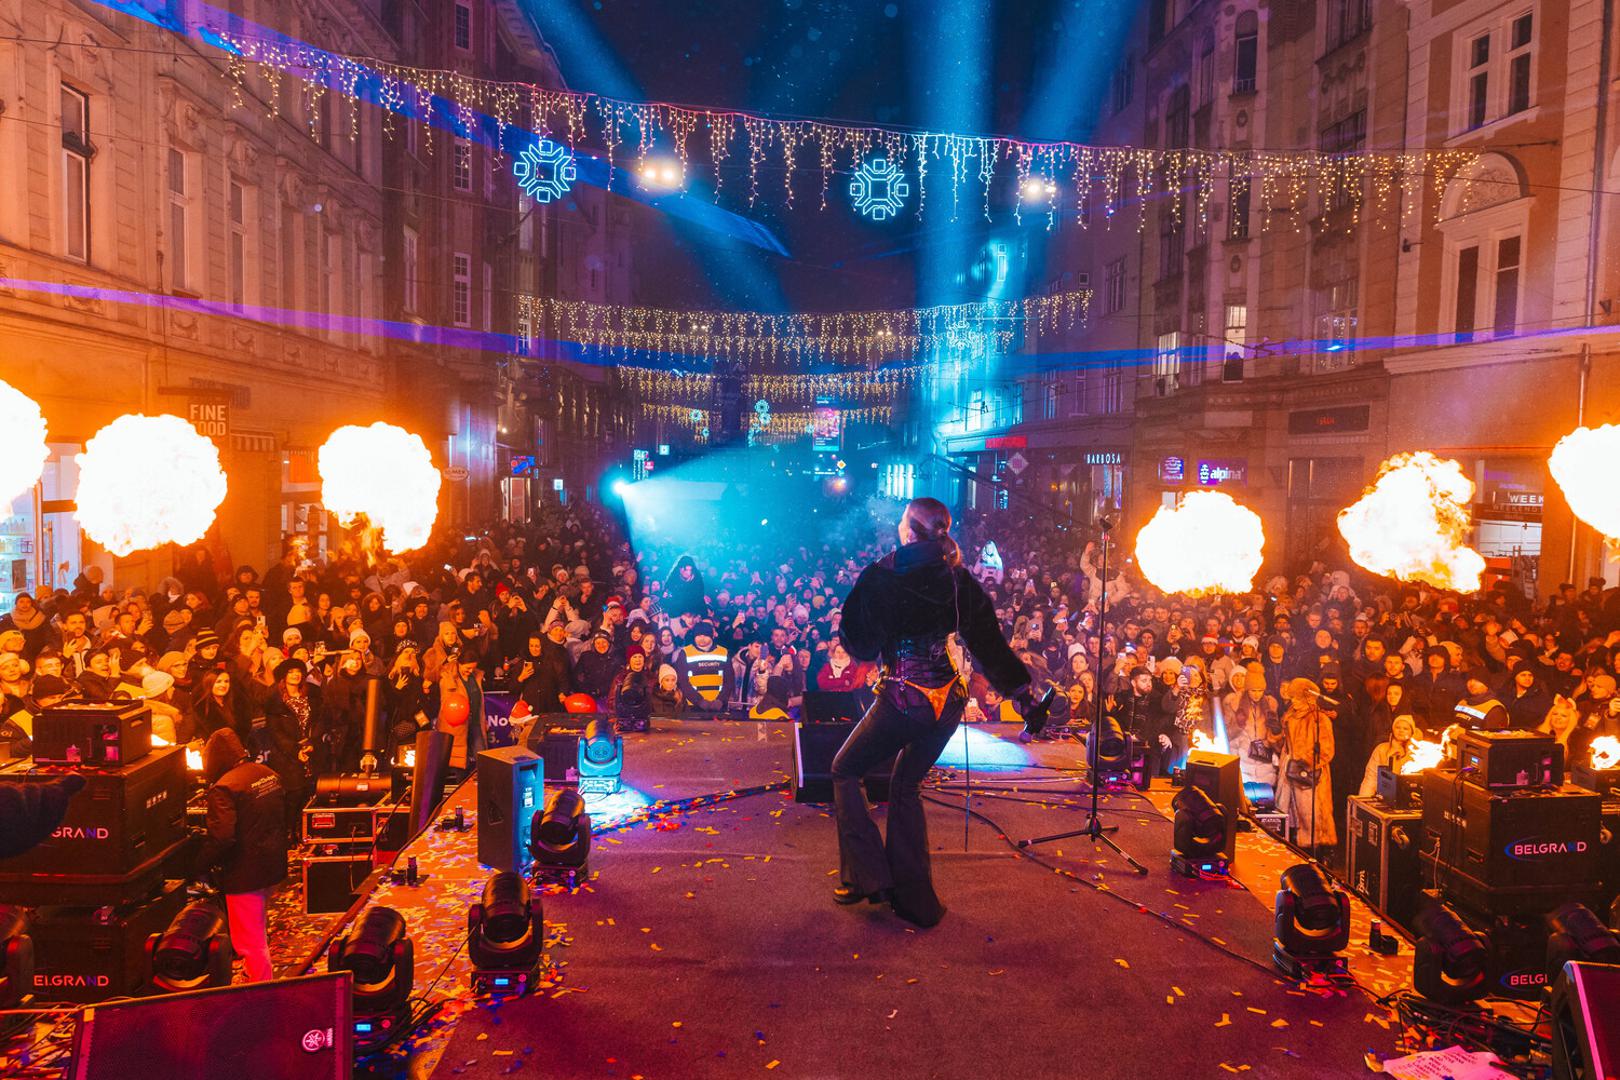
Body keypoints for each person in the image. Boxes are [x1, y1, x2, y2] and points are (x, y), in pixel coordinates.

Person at [833, 498, 1032, 928]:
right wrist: (1023, 692)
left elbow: (862, 646)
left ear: (908, 531)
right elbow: (990, 645)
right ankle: (912, 896)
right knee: (906, 784)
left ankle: (868, 878)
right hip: (949, 700)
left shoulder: (884, 576)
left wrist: (855, 612)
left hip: (905, 698)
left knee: (845, 768)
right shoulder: (956, 577)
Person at [196, 727, 287, 983]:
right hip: (272, 865)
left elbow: (222, 837)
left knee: (250, 942)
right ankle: (259, 976)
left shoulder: (225, 788)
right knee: (259, 930)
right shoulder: (266, 774)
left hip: (245, 873)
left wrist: (198, 864)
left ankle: (261, 992)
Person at [1269, 677, 1336, 856]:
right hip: (1288, 770)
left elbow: (1327, 751)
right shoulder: (1289, 716)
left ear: (1308, 698)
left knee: (1311, 819)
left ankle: (1317, 857)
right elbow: (1283, 744)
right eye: (1293, 698)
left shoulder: (1319, 719)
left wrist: (1304, 762)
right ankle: (1292, 852)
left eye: (1297, 698)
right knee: (1288, 813)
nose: (1294, 702)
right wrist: (1276, 735)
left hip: (1310, 775)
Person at [1359, 714, 1419, 797]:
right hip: (1384, 797)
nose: (1401, 731)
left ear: (1412, 732)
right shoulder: (1381, 749)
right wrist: (1364, 800)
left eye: (1405, 729)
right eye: (1397, 727)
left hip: (1409, 798)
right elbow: (1371, 777)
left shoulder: (1418, 753)